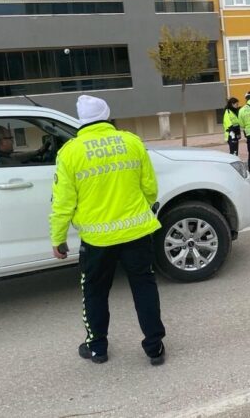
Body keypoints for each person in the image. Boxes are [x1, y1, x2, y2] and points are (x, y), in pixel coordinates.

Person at [49, 95, 166, 366]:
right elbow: (150, 187)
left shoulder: (70, 152)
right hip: (137, 233)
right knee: (144, 287)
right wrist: (140, 210)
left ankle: (97, 348)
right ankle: (154, 348)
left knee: (94, 292)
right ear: (107, 115)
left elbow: (62, 202)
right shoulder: (131, 141)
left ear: (81, 120)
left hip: (97, 239)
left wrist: (58, 238)